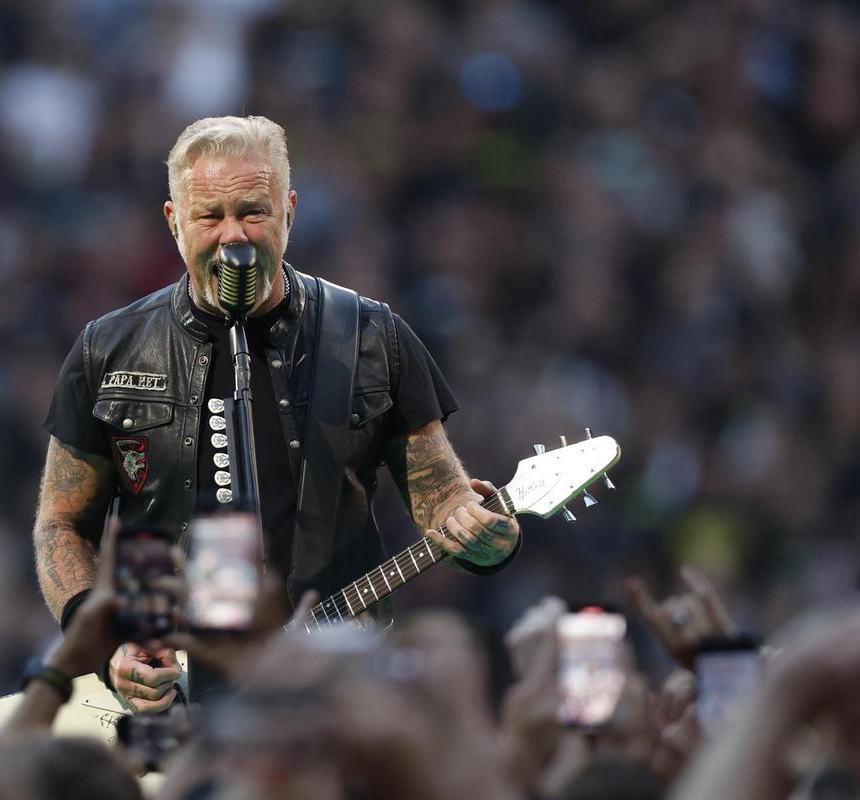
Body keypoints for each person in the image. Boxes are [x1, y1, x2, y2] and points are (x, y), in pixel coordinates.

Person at [33, 115, 521, 711]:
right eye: (210, 216)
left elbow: (443, 497)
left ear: (289, 211)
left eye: (253, 212)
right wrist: (108, 644)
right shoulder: (106, 350)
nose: (232, 236)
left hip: (336, 689)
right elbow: (62, 524)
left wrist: (483, 535)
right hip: (172, 693)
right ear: (174, 221)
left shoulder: (370, 337)